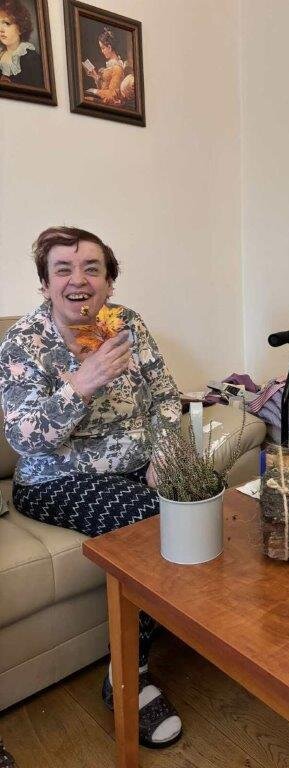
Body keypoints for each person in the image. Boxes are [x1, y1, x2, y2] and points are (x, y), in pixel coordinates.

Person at [0, 227, 183, 749]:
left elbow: (167, 397)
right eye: (63, 269)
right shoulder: (23, 343)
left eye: (92, 269)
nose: (78, 280)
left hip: (138, 464)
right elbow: (24, 438)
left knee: (203, 498)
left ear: (108, 281)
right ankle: (128, 676)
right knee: (150, 522)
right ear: (45, 284)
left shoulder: (128, 325)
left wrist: (165, 452)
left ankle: (201, 625)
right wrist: (82, 383)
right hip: (56, 480)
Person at [0, 0, 43, 88]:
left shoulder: (31, 58)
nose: (1, 30)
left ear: (20, 27)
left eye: (7, 23)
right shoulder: (1, 56)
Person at [85, 27, 125, 104]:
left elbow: (112, 95)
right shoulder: (110, 66)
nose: (102, 51)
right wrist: (95, 77)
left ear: (109, 47)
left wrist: (94, 91)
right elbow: (104, 89)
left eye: (103, 48)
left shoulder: (117, 68)